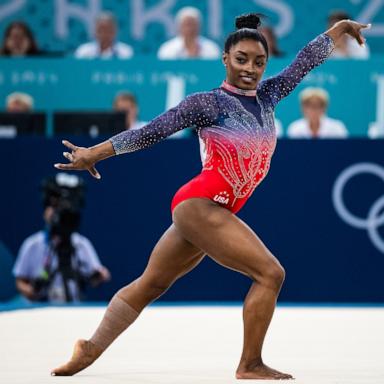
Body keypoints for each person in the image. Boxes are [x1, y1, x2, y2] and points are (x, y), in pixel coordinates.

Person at [52, 14, 369, 380]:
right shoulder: (207, 103)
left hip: (212, 209)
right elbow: (151, 132)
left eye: (259, 62)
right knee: (270, 273)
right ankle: (250, 364)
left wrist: (340, 28)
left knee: (151, 283)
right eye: (241, 59)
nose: (250, 68)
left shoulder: (268, 97)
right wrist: (94, 152)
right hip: (200, 204)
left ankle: (89, 349)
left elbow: (305, 61)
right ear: (225, 59)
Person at [13, 173, 110, 303]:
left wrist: (100, 276)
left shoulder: (81, 244)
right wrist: (31, 292)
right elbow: (19, 281)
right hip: (40, 311)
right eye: (54, 207)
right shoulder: (32, 244)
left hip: (72, 311)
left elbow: (97, 277)